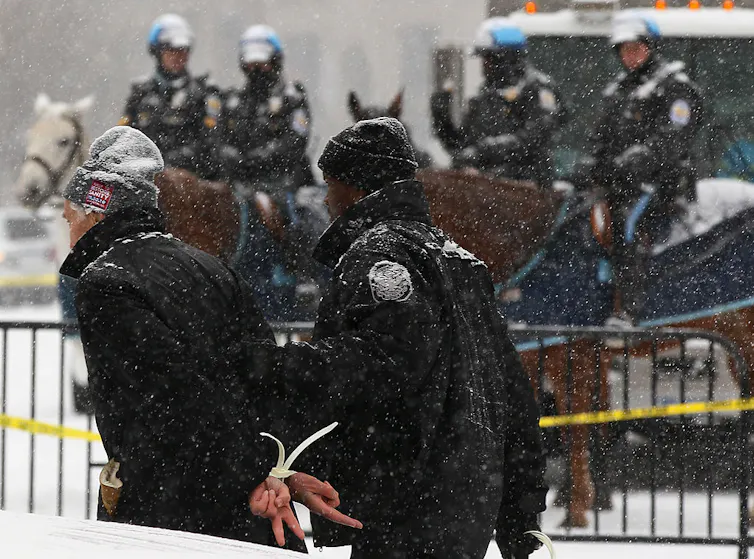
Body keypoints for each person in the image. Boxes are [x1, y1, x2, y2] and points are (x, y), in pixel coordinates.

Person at [246, 117, 548, 558]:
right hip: (465, 502)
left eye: (332, 184)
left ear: (359, 188)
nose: (327, 199)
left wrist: (273, 364)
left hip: (405, 503)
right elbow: (510, 393)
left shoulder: (380, 256)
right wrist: (521, 513)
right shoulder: (461, 261)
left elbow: (376, 368)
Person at [58, 126, 360, 548]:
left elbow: (173, 401)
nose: (68, 230)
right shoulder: (210, 266)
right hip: (246, 509)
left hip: (171, 512)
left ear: (95, 213)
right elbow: (261, 376)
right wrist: (277, 471)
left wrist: (256, 476)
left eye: (70, 216)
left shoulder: (105, 283)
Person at [585, 15, 703, 327]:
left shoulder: (675, 87)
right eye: (624, 50)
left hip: (663, 186)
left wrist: (632, 162)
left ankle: (628, 311)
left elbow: (672, 139)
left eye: (636, 48)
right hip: (620, 185)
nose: (630, 56)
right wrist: (593, 166)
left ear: (651, 48)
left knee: (628, 227)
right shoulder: (618, 91)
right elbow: (600, 139)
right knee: (577, 220)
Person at [431, 17, 565, 188]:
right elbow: (463, 147)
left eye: (488, 59)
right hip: (481, 189)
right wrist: (442, 120)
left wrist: (483, 152)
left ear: (506, 59)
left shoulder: (538, 91)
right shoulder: (485, 98)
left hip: (526, 188)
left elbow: (533, 138)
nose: (483, 66)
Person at [118, 14, 222, 177]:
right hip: (144, 179)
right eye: (171, 51)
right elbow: (124, 138)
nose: (178, 56)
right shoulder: (140, 94)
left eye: (183, 50)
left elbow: (211, 143)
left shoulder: (203, 93)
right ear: (157, 52)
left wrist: (174, 162)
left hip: (191, 184)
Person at [218, 24, 313, 197]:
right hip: (241, 185)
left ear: (275, 61)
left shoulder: (292, 98)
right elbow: (219, 139)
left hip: (286, 183)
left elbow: (296, 140)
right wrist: (232, 157)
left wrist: (260, 159)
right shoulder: (233, 102)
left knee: (309, 215)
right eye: (251, 63)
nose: (256, 69)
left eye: (262, 63)